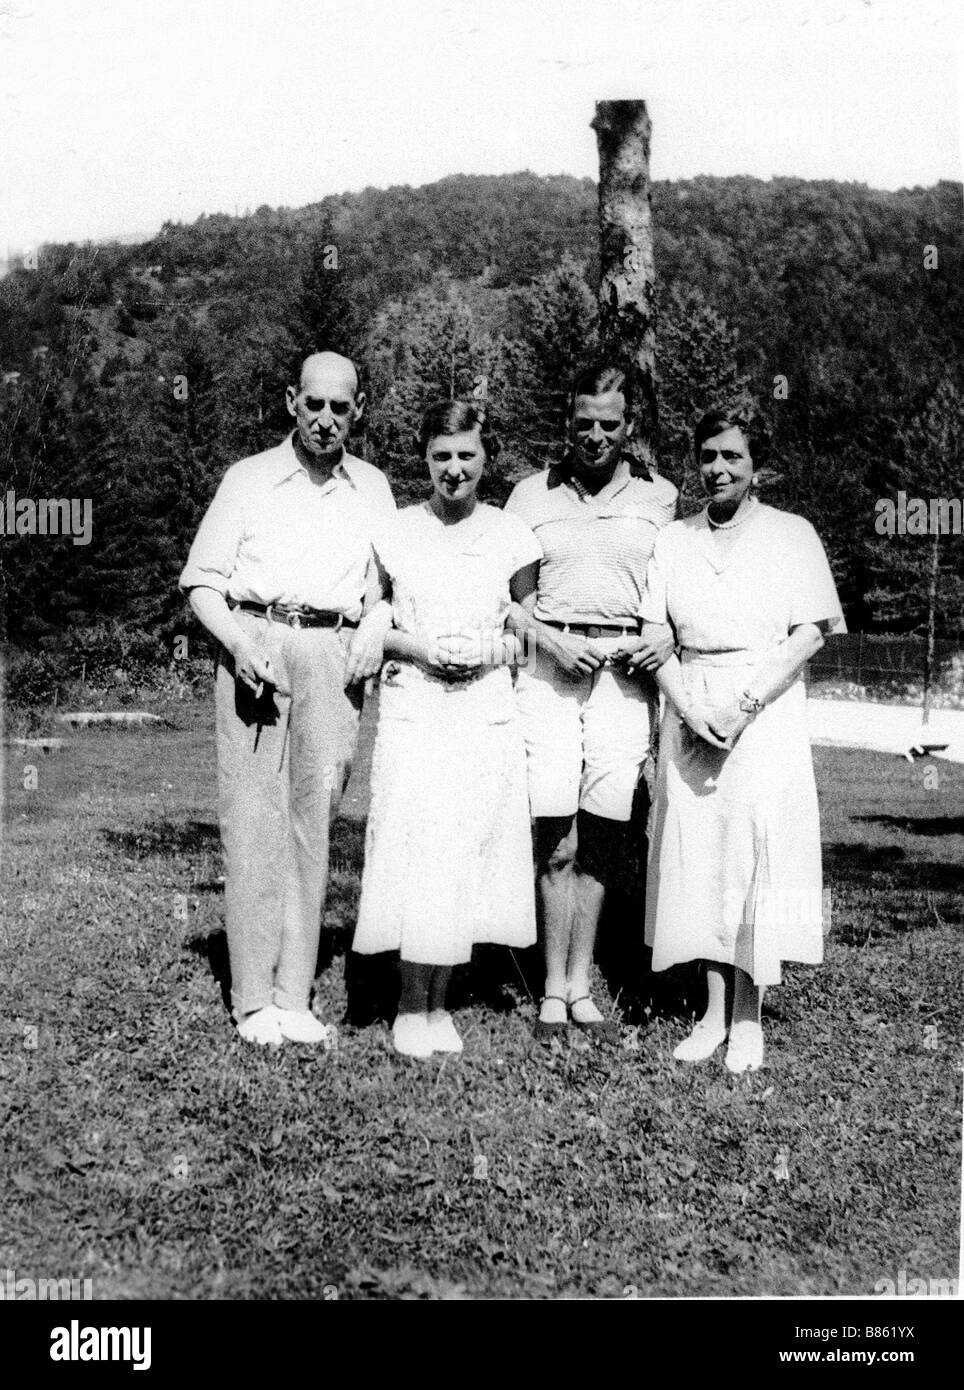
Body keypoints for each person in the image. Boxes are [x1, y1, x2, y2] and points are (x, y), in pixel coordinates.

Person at [180, 351, 396, 1046]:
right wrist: (239, 645)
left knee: (314, 818)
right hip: (257, 645)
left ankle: (294, 995)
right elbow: (201, 582)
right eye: (315, 404)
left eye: (341, 407)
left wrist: (376, 624)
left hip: (333, 657)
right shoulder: (246, 480)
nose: (326, 419)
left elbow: (384, 588)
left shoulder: (375, 489)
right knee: (252, 819)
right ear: (290, 402)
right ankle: (251, 1000)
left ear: (357, 410)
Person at [634, 407, 845, 1073]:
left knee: (755, 857)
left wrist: (744, 703)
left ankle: (749, 1019)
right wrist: (691, 709)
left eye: (732, 456)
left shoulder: (791, 534)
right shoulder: (673, 540)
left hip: (764, 709)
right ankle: (712, 1013)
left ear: (757, 465)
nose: (718, 469)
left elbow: (810, 632)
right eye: (707, 456)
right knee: (702, 858)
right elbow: (652, 636)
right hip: (692, 705)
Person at [352, 400, 541, 1058]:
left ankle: (441, 1000)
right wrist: (421, 646)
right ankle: (409, 1001)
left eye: (466, 455)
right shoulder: (397, 532)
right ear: (424, 458)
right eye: (441, 456)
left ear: (487, 459)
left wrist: (492, 649)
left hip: (484, 707)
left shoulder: (513, 535)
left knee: (464, 848)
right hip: (418, 703)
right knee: (416, 844)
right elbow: (373, 622)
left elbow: (526, 630)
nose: (453, 469)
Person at [505, 363, 678, 1038]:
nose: (596, 435)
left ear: (629, 425)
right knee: (555, 833)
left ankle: (582, 984)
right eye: (583, 423)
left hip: (623, 681)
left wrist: (662, 638)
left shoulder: (661, 498)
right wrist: (549, 637)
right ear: (566, 422)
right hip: (549, 678)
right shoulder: (528, 496)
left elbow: (675, 590)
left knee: (604, 834)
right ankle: (550, 986)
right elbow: (511, 600)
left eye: (610, 423)